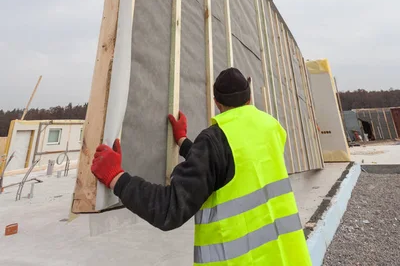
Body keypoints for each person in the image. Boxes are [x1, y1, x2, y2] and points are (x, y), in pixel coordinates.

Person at [91, 67, 311, 265]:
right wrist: (183, 142)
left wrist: (115, 177)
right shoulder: (270, 127)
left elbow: (170, 209)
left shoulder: (215, 139)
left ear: (216, 102)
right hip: (284, 256)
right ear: (249, 98)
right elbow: (233, 163)